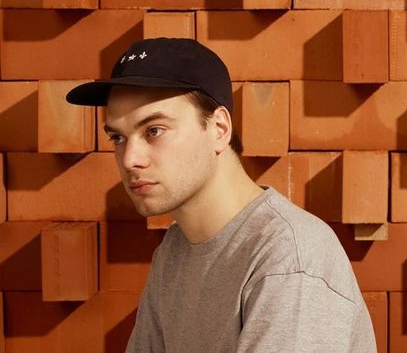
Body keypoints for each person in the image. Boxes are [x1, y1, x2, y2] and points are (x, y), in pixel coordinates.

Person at [65, 38, 376, 353]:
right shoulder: (175, 250)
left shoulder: (289, 257)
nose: (130, 159)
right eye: (118, 137)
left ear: (219, 128)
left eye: (154, 131)